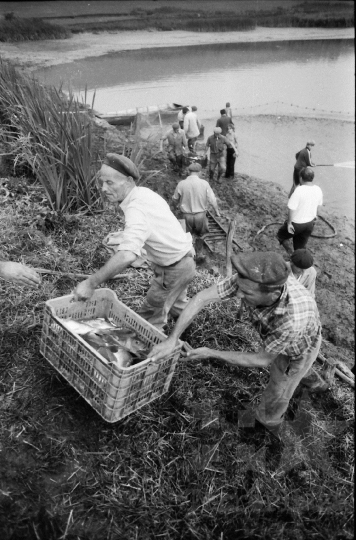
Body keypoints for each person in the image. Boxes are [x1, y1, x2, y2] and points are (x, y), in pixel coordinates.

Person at [148, 251, 325, 435]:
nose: (238, 294)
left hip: (298, 349)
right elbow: (202, 298)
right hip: (286, 336)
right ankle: (310, 379)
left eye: (246, 293)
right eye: (239, 288)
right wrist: (172, 339)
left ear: (272, 293)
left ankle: (267, 424)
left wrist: (210, 352)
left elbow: (261, 359)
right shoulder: (251, 279)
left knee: (279, 388)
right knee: (292, 374)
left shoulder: (290, 320)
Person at [73, 153, 196, 331]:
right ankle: (186, 333)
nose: (104, 188)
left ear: (129, 181)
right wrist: (124, 236)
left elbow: (127, 255)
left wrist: (91, 283)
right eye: (102, 182)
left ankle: (154, 353)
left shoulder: (136, 209)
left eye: (110, 183)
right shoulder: (144, 194)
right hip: (186, 262)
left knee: (148, 321)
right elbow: (155, 226)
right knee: (177, 305)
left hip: (173, 270)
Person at [172, 162, 220, 254]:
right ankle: (199, 251)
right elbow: (212, 199)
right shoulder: (204, 184)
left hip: (186, 216)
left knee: (186, 235)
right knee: (202, 234)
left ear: (189, 171)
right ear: (199, 172)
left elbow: (175, 199)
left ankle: (188, 253)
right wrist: (217, 211)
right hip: (200, 216)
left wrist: (174, 208)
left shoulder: (181, 184)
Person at [277, 167, 323, 256]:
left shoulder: (299, 190)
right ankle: (298, 260)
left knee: (280, 236)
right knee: (300, 246)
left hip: (297, 224)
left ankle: (290, 254)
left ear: (301, 178)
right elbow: (318, 205)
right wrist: (316, 216)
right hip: (310, 224)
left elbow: (291, 208)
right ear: (312, 178)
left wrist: (289, 223)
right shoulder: (318, 189)